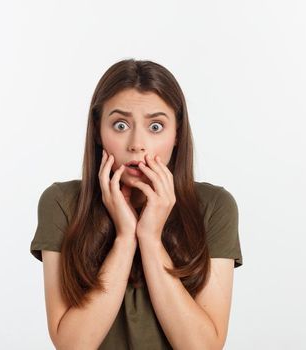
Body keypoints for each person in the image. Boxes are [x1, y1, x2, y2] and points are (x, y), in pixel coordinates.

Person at [30, 58, 243, 349]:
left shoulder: (214, 207)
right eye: (120, 125)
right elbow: (72, 345)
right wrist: (125, 238)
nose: (137, 144)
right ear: (97, 130)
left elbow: (203, 347)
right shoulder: (62, 203)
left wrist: (150, 238)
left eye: (156, 126)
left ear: (177, 133)